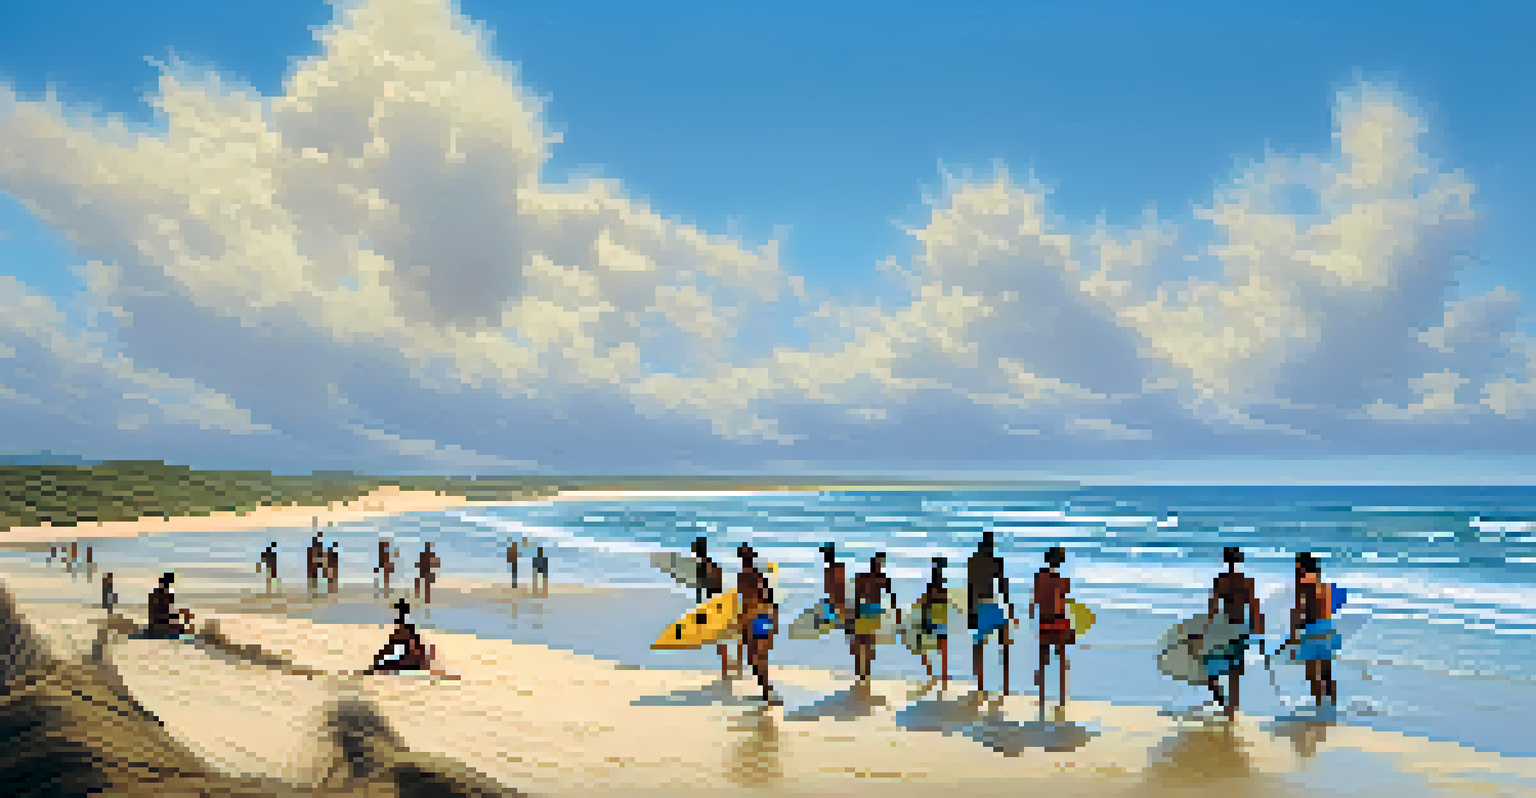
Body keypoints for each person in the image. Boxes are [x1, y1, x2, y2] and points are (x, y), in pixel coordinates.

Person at [1198, 546, 1265, 720]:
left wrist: (1207, 630)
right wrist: (1259, 632)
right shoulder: (1247, 581)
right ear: (1240, 560)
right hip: (1241, 629)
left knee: (1210, 671)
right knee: (1234, 673)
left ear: (1226, 560)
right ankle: (1231, 712)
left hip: (1224, 628)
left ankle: (1222, 702)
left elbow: (1213, 608)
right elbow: (1254, 608)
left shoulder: (1220, 581)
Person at [1290, 552, 1339, 708]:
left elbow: (1299, 610)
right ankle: (1331, 708)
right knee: (1326, 674)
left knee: (1312, 675)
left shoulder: (1303, 583)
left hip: (1313, 629)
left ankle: (1320, 708)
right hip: (1327, 628)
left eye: (1297, 567)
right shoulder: (1323, 585)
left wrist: (1294, 635)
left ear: (1302, 567)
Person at [969, 529, 1014, 696]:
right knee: (1005, 643)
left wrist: (970, 612)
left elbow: (970, 588)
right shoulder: (996, 561)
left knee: (979, 646)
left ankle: (980, 684)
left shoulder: (973, 561)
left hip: (979, 607)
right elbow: (1003, 586)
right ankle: (1005, 684)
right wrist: (1008, 605)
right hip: (991, 606)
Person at [1031, 546, 1074, 707]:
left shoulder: (1039, 577)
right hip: (1059, 622)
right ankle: (1061, 698)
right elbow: (1063, 600)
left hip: (1044, 621)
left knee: (1042, 660)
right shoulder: (1063, 581)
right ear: (1060, 561)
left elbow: (1037, 600)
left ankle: (1042, 696)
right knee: (1062, 661)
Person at [736, 544, 779, 704]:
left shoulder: (753, 576)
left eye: (745, 557)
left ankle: (766, 690)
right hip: (754, 617)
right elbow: (767, 598)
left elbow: (767, 597)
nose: (744, 560)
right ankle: (765, 689)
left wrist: (773, 618)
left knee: (757, 656)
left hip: (758, 617)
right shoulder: (747, 575)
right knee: (755, 657)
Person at [851, 552, 900, 683]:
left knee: (866, 642)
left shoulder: (876, 578)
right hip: (866, 610)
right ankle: (862, 672)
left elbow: (891, 596)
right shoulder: (873, 578)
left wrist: (896, 610)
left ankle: (864, 672)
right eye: (878, 564)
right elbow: (857, 595)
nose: (879, 567)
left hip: (870, 611)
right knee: (862, 642)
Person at [691, 537, 735, 681]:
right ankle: (727, 669)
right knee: (722, 639)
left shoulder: (701, 568)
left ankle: (726, 671)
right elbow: (719, 585)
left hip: (712, 606)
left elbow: (699, 591)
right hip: (720, 603)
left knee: (719, 640)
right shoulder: (714, 565)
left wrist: (700, 610)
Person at [367, 599, 436, 674]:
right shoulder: (405, 633)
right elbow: (391, 647)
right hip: (407, 659)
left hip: (409, 660)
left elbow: (411, 650)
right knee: (384, 661)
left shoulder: (407, 633)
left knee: (385, 662)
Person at [918, 556, 953, 689]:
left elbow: (925, 604)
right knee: (941, 649)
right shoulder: (940, 587)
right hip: (939, 617)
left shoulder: (933, 587)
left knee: (927, 649)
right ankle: (940, 674)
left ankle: (932, 673)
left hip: (934, 617)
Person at [146, 572, 193, 639]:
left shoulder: (155, 595)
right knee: (182, 621)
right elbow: (163, 614)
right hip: (160, 626)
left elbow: (165, 612)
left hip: (158, 625)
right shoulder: (162, 596)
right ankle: (186, 632)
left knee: (183, 616)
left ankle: (185, 631)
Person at [818, 543, 849, 636]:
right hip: (836, 600)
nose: (825, 557)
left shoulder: (834, 569)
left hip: (837, 600)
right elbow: (829, 588)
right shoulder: (835, 568)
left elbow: (829, 588)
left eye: (826, 554)